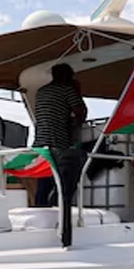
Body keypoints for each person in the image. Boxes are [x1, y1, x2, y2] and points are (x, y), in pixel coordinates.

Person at [32, 63, 87, 207]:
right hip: (57, 143)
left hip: (40, 144)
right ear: (66, 76)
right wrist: (77, 91)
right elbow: (81, 112)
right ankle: (59, 211)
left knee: (44, 183)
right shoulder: (66, 89)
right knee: (64, 183)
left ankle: (41, 210)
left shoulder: (41, 91)